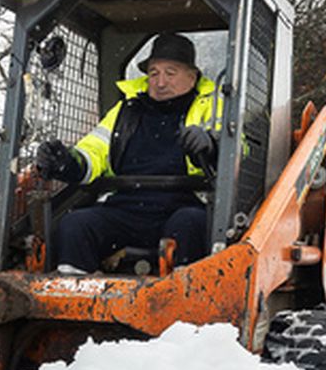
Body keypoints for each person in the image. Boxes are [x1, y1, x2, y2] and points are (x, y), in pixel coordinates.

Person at [34, 32, 219, 273]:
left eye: (170, 73)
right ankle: (71, 292)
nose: (160, 82)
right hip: (126, 207)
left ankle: (186, 292)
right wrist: (68, 161)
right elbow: (94, 150)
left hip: (184, 203)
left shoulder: (213, 107)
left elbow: (238, 153)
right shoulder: (127, 111)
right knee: (75, 224)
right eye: (154, 73)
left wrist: (210, 146)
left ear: (192, 77)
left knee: (189, 224)